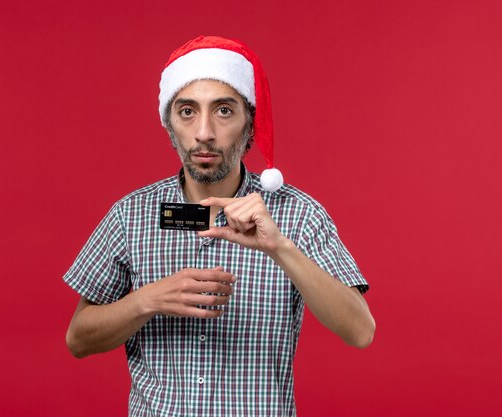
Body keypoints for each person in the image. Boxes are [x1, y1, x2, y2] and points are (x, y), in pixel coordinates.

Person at [63, 35, 375, 416]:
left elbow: (361, 331)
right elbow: (78, 339)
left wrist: (280, 248)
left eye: (224, 111)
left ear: (250, 125)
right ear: (169, 124)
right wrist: (146, 301)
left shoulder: (298, 214)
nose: (204, 133)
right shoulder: (132, 215)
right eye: (188, 111)